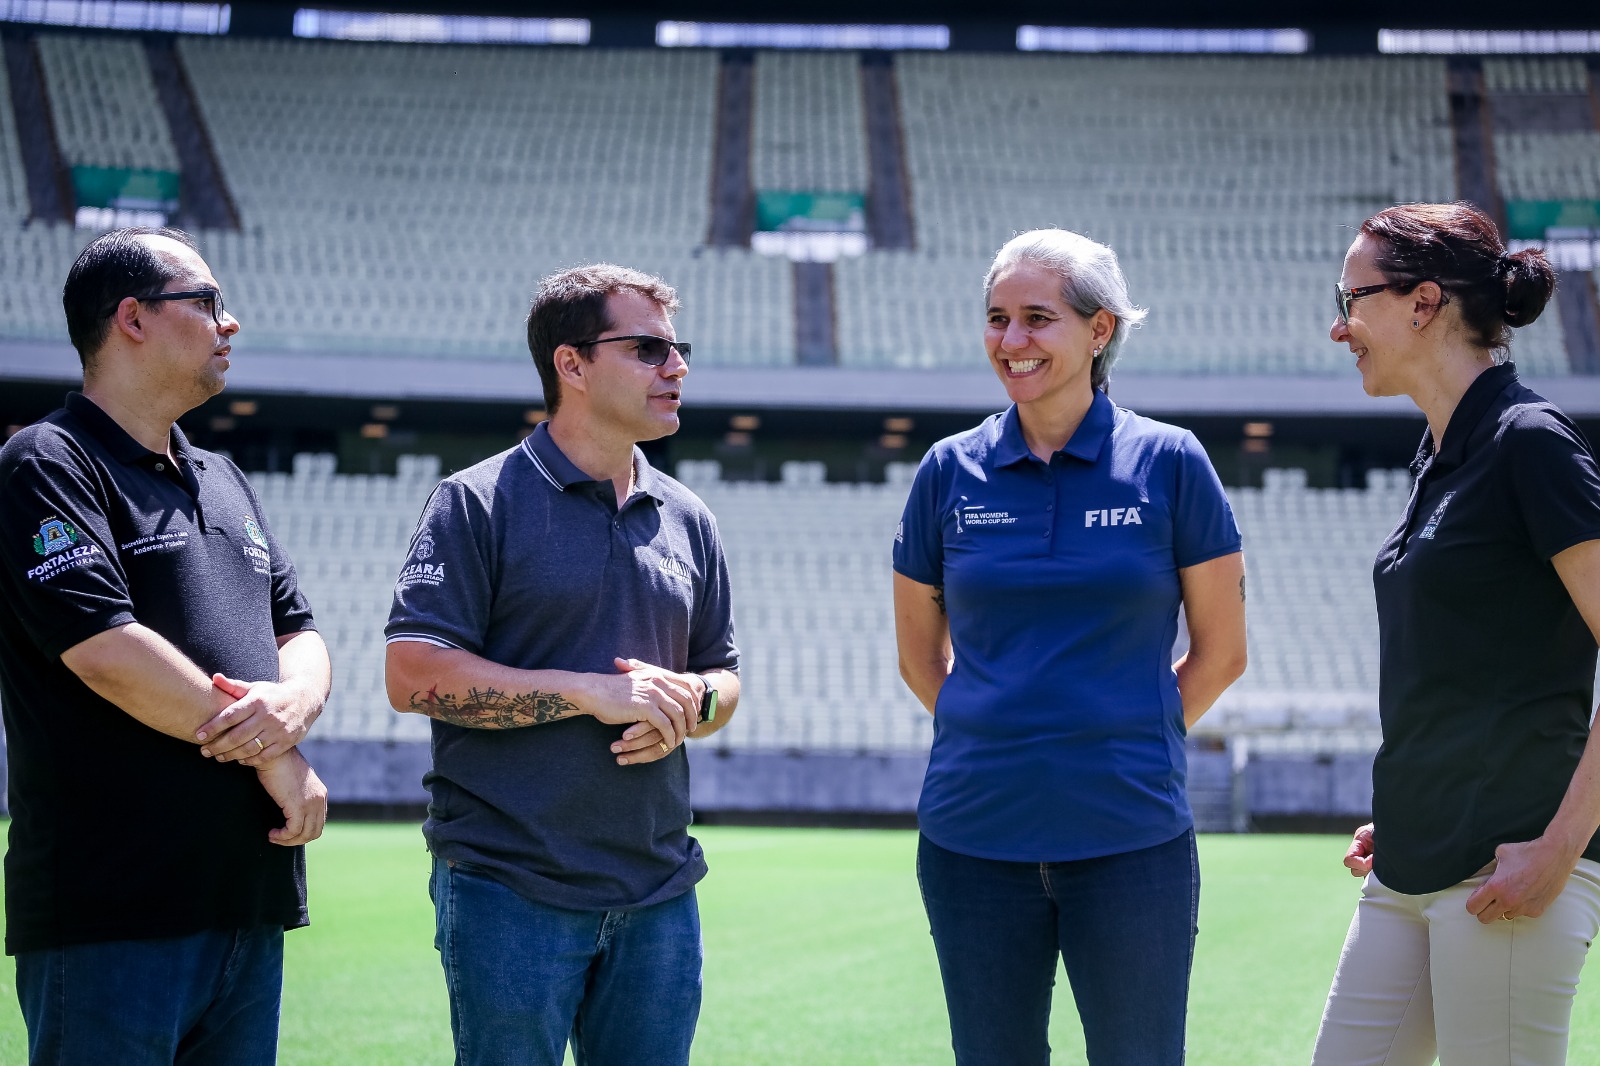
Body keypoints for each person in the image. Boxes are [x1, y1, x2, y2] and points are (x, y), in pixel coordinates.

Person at [892, 228, 1248, 1065]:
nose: (1011, 342)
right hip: (971, 840)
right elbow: (918, 658)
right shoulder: (948, 471)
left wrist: (1129, 734)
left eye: (1037, 319)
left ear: (1101, 329)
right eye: (996, 318)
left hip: (1132, 840)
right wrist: (1000, 739)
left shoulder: (1171, 462)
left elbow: (1222, 651)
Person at [385, 263, 740, 1066]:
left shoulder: (689, 517)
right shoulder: (475, 501)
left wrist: (693, 701)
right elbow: (411, 674)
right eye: (648, 348)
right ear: (570, 365)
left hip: (660, 890)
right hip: (512, 889)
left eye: (677, 348)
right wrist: (590, 694)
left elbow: (725, 677)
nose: (676, 366)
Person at [0, 227, 330, 1064]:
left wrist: (291, 707)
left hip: (245, 903)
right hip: (112, 911)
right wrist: (273, 755)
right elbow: (105, 650)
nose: (232, 323)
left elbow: (299, 629)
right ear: (133, 320)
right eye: (209, 302)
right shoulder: (46, 461)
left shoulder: (221, 474)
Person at [1313, 202, 1600, 1065]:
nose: (1339, 326)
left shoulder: (1530, 444)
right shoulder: (1437, 456)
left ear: (1423, 301)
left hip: (1508, 870)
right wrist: (1409, 807)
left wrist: (1559, 849)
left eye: (1351, 296)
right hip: (1411, 862)